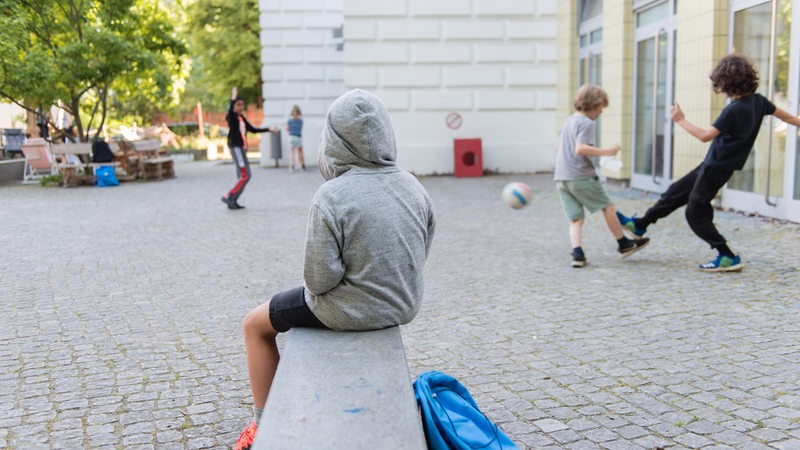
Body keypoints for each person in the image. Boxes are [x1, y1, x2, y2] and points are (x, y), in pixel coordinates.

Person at [233, 89, 436, 450]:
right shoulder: (414, 186)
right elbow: (421, 250)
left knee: (254, 325)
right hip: (403, 305)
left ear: (334, 141)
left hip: (347, 310)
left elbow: (318, 281)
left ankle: (263, 429)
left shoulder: (332, 195)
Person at [617, 53, 800, 272]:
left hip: (716, 167)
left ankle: (726, 255)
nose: (717, 89)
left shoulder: (732, 110)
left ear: (729, 83)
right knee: (676, 192)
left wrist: (680, 120)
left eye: (719, 85)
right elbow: (789, 118)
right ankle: (639, 225)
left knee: (694, 211)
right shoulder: (759, 102)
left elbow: (705, 135)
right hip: (715, 165)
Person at [554, 83, 650, 268]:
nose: (601, 112)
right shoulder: (586, 123)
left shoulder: (569, 121)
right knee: (608, 207)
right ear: (593, 105)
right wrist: (608, 152)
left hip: (561, 178)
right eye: (600, 108)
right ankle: (624, 244)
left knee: (576, 218)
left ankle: (577, 253)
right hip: (580, 177)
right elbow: (580, 148)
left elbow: (559, 147)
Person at [221, 86, 275, 210]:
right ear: (234, 106)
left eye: (242, 105)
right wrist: (233, 97)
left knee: (246, 176)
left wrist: (268, 129)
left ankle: (233, 200)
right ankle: (229, 196)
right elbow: (229, 110)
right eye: (238, 105)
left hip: (242, 149)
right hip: (236, 148)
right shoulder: (232, 118)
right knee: (245, 175)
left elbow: (253, 129)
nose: (240, 107)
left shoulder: (241, 118)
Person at [286, 105, 305, 172]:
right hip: (298, 136)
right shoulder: (301, 121)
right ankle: (302, 165)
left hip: (292, 137)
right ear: (299, 112)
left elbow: (287, 129)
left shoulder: (289, 121)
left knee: (292, 152)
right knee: (300, 152)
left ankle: (292, 167)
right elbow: (301, 128)